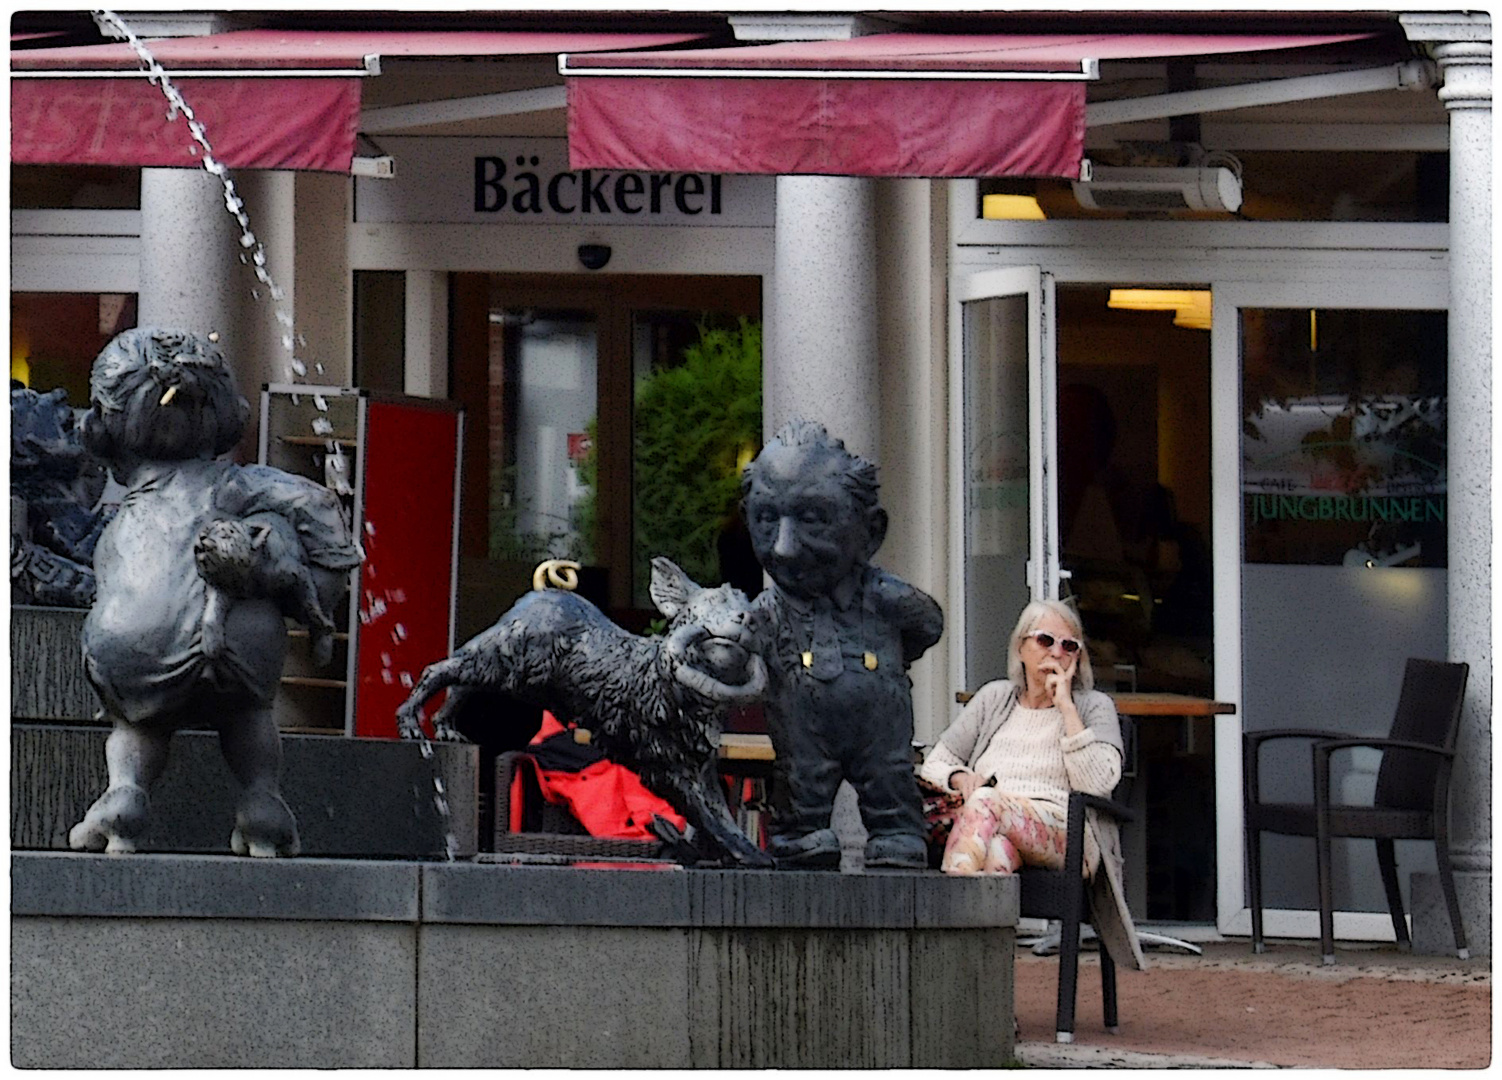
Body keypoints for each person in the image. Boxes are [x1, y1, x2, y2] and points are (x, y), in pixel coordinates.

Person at [919, 598, 1145, 969]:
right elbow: (934, 764)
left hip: (1070, 835)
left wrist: (1067, 710)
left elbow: (1100, 782)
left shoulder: (1094, 706)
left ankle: (947, 947)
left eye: (1068, 645)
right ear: (1021, 647)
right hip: (995, 823)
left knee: (987, 804)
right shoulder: (995, 698)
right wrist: (962, 777)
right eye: (1045, 641)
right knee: (994, 857)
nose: (1057, 652)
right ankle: (988, 1002)